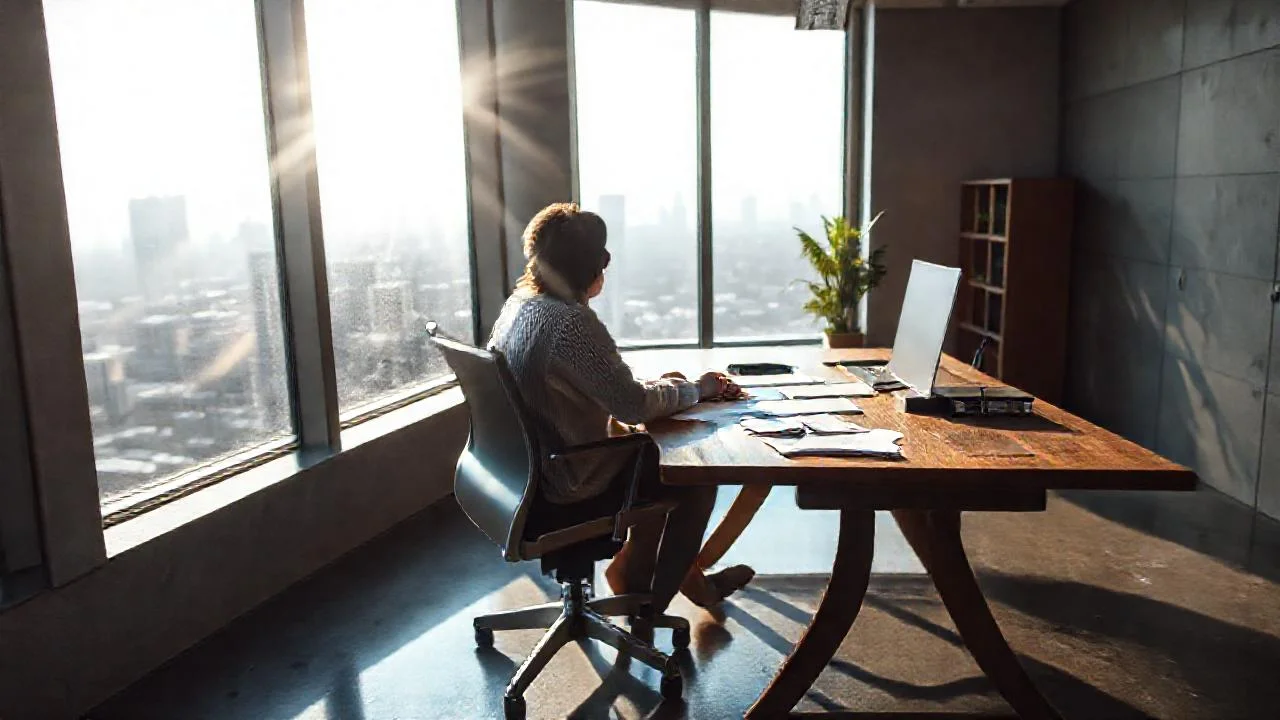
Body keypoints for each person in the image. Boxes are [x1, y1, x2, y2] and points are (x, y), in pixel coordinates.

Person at [488, 202, 754, 611]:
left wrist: (674, 388)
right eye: (602, 255)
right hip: (570, 482)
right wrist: (698, 390)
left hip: (524, 473)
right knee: (694, 476)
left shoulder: (520, 307)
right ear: (592, 264)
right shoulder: (569, 322)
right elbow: (632, 405)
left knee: (657, 444)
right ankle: (651, 604)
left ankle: (655, 579)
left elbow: (603, 390)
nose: (607, 263)